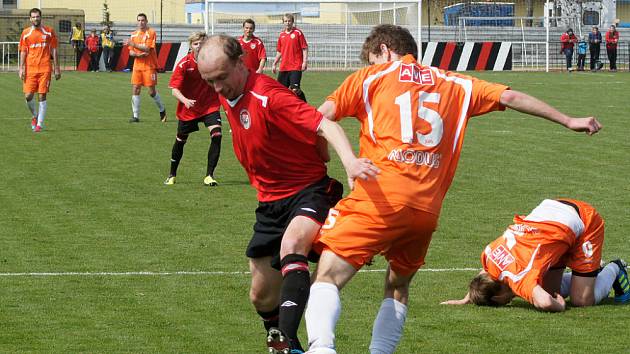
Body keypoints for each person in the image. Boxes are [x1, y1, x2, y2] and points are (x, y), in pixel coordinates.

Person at [303, 24, 602, 354]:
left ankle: (321, 349)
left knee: (327, 277)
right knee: (398, 286)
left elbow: (318, 120)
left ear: (385, 51)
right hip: (425, 212)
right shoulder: (456, 83)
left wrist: (327, 154)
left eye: (373, 60)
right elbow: (511, 96)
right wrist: (568, 120)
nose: (372, 67)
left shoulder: (370, 79)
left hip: (381, 199)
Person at [197, 34, 378, 354]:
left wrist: (349, 161)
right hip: (269, 201)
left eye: (222, 78)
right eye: (209, 81)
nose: (217, 88)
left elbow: (327, 125)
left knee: (292, 245)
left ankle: (289, 344)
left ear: (241, 63)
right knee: (261, 295)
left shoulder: (269, 95)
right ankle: (284, 334)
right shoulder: (226, 92)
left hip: (308, 190)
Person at [442, 199, 630, 311]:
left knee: (581, 300)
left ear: (499, 297)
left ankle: (615, 268)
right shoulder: (489, 255)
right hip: (551, 213)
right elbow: (483, 276)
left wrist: (560, 306)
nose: (508, 302)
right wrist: (468, 297)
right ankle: (584, 278)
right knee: (548, 289)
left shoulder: (518, 278)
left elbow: (546, 302)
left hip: (583, 221)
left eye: (503, 303)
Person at [164, 31, 222, 187]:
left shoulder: (213, 62)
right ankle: (172, 174)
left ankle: (209, 175)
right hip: (189, 108)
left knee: (217, 135)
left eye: (202, 43)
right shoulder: (184, 64)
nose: (199, 46)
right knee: (181, 141)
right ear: (191, 46)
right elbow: (174, 89)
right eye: (196, 43)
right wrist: (185, 100)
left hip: (209, 105)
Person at [18, 8, 61, 133]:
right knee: (28, 96)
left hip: (45, 68)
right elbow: (23, 51)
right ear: (30, 18)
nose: (36, 18)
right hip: (30, 69)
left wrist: (57, 68)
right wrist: (21, 68)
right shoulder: (26, 33)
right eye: (33, 17)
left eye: (37, 16)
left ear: (41, 17)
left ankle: (39, 125)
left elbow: (54, 50)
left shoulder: (49, 32)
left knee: (42, 95)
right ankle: (34, 116)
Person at [125, 13, 167, 123]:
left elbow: (147, 49)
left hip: (149, 66)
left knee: (151, 91)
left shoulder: (151, 33)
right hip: (137, 66)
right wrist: (137, 54)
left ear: (146, 21)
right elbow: (130, 51)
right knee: (135, 88)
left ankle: (162, 110)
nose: (141, 22)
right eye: (139, 20)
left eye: (143, 20)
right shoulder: (133, 34)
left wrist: (133, 45)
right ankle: (135, 116)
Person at [272, 13, 308, 88]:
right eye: (285, 21)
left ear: (292, 22)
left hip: (295, 66)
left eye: (289, 21)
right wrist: (274, 63)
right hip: (284, 67)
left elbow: (304, 48)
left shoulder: (298, 33)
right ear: (283, 22)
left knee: (295, 89)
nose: (287, 23)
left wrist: (304, 62)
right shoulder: (281, 35)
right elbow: (279, 51)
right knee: (281, 90)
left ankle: (302, 100)